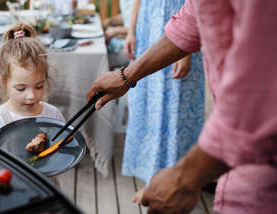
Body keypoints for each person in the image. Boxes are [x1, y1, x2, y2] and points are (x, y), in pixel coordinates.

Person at [87, 0, 277, 213]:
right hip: (237, 171)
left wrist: (184, 178)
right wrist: (127, 76)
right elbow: (192, 18)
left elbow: (259, 96)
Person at [121, 0, 205, 201]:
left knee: (176, 112)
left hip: (180, 29)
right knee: (149, 105)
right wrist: (131, 30)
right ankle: (153, 179)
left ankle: (176, 183)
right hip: (148, 27)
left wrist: (187, 49)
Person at [0, 23, 65, 142]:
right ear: (4, 83)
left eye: (39, 86)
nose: (32, 96)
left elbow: (63, 145)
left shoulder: (53, 115)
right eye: (21, 88)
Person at [102, 0, 134, 69]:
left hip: (133, 47)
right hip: (122, 41)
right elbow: (126, 15)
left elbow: (141, 28)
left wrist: (115, 31)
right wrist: (109, 21)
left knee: (101, 60)